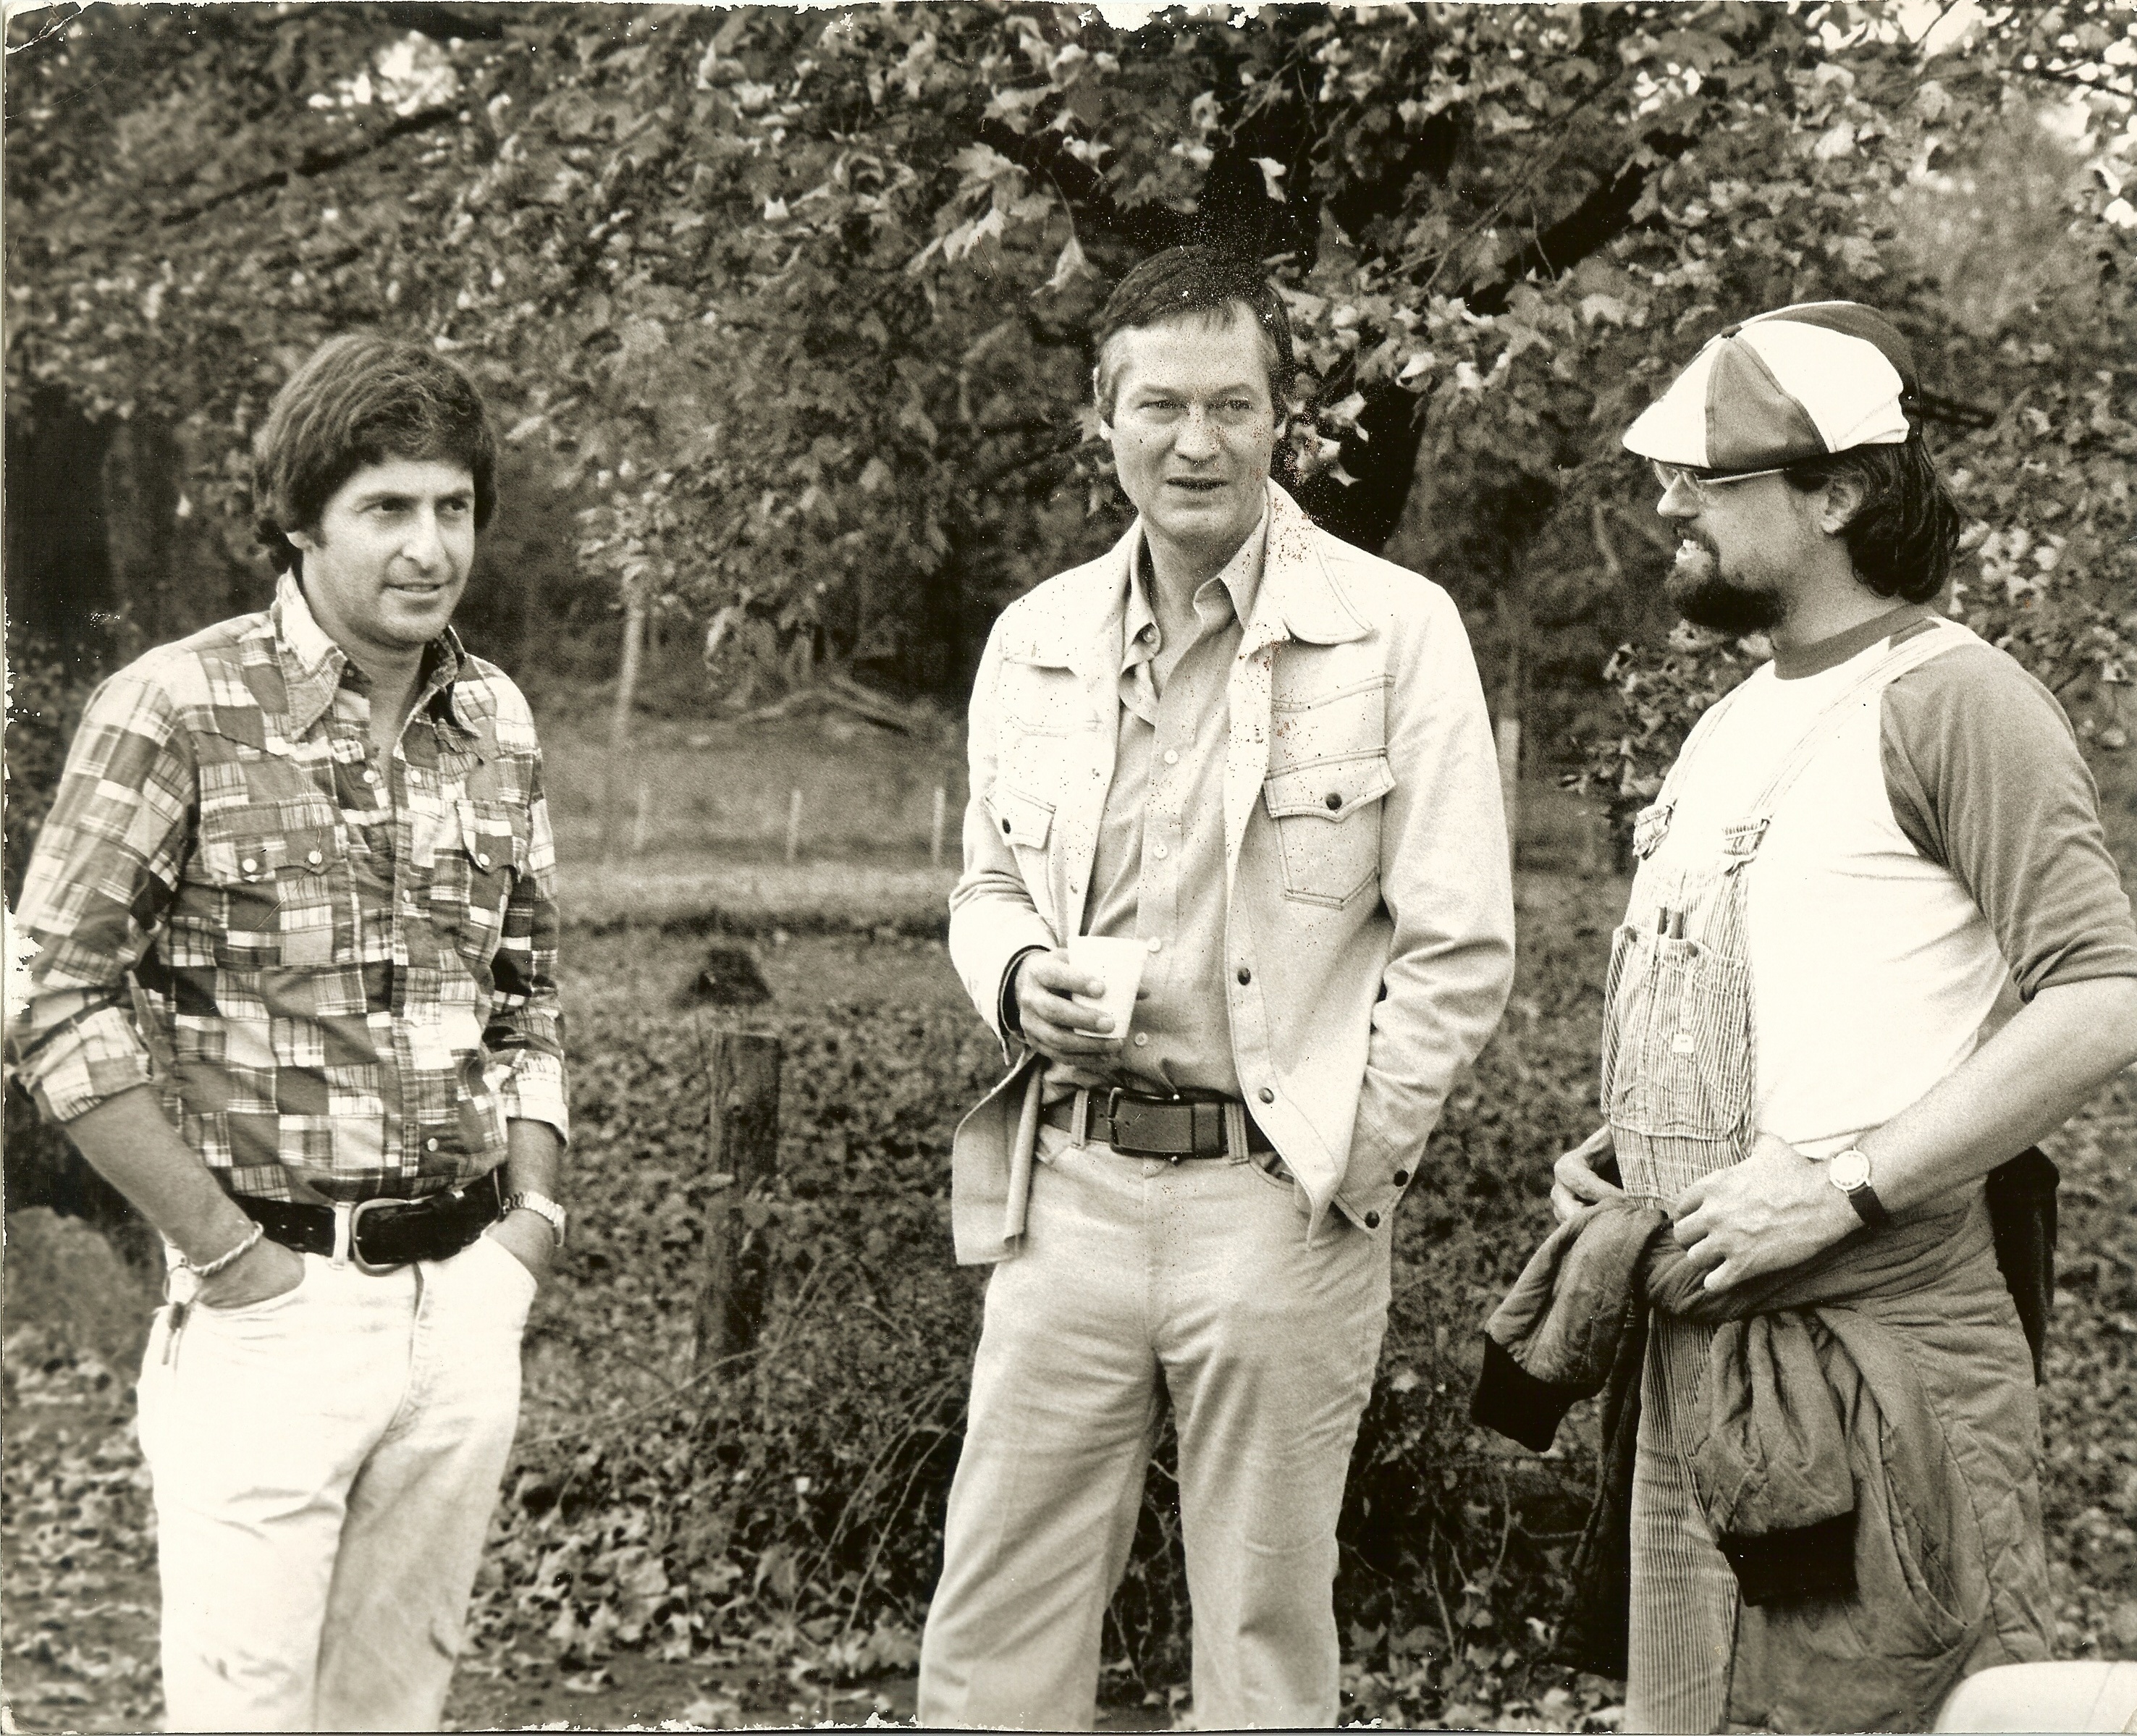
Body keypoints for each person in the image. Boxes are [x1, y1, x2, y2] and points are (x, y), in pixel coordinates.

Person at [916, 245, 1515, 1730]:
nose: (1197, 443)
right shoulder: (1036, 637)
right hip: (1066, 1192)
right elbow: (986, 883)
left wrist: (1348, 1161)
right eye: (1161, 405)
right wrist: (1014, 977)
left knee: (1260, 1631)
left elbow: (1459, 945)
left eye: (1233, 405)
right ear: (1102, 419)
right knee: (996, 1617)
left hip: (1278, 1194)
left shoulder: (1397, 630)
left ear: (1279, 420)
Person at [1536, 301, 2137, 1732]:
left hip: (1882, 1355)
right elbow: (1803, 996)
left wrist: (1851, 1186)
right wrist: (1639, 1143)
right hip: (1699, 1345)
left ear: (1844, 493)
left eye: (1710, 473)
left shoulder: (1960, 702)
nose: (1666, 498)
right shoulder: (1736, 715)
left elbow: (2104, 996)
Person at [8, 333, 570, 1732]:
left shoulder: (493, 719)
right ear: (302, 515)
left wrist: (531, 1226)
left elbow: (529, 987)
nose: (429, 547)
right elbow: (56, 1003)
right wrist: (228, 1254)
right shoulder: (175, 706)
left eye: (454, 507)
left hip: (463, 1306)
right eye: (387, 508)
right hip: (268, 1306)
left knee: (392, 1710)